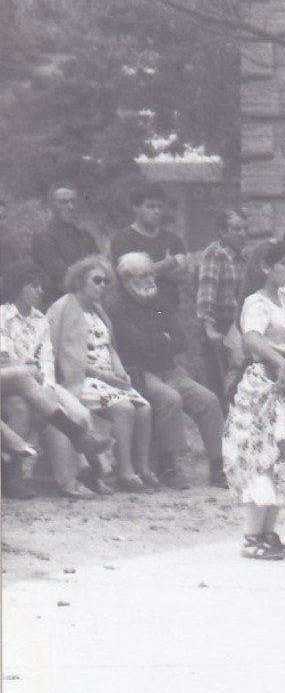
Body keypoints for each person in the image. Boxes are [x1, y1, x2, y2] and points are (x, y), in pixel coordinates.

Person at [224, 240, 285, 559]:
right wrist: (279, 363)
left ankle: (267, 532)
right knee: (263, 451)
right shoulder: (256, 303)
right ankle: (252, 537)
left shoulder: (281, 299)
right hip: (267, 380)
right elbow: (252, 337)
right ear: (266, 267)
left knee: (284, 453)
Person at [110, 252, 226, 489]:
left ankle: (219, 466)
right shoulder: (116, 305)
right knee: (169, 399)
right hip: (138, 371)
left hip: (170, 369)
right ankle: (167, 466)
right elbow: (134, 342)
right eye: (144, 275)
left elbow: (181, 340)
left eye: (153, 273)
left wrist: (155, 342)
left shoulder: (160, 304)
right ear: (127, 279)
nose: (152, 279)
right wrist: (162, 340)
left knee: (209, 400)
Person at [1, 263, 117, 497]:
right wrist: (30, 372)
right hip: (8, 381)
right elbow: (4, 361)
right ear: (19, 289)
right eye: (34, 286)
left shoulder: (40, 321)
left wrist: (46, 387)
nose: (40, 291)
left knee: (77, 412)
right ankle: (78, 439)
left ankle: (82, 474)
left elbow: (46, 360)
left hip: (35, 385)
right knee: (23, 383)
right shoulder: (1, 316)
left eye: (41, 286)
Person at [45, 255, 155, 493]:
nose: (102, 285)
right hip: (79, 379)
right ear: (79, 281)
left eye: (106, 281)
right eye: (96, 280)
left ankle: (143, 469)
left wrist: (121, 373)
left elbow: (110, 347)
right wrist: (103, 376)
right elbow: (57, 354)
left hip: (106, 377)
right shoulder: (63, 307)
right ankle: (125, 473)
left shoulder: (98, 311)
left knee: (144, 407)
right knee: (124, 408)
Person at [195, 209, 248, 410]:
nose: (243, 233)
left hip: (238, 329)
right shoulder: (215, 256)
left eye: (245, 228)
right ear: (222, 231)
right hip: (218, 328)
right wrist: (209, 328)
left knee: (237, 385)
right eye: (236, 229)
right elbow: (206, 291)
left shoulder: (244, 258)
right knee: (219, 387)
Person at [108, 183, 188, 304]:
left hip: (170, 310)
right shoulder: (123, 239)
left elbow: (184, 276)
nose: (156, 211)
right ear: (135, 207)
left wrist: (150, 268)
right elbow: (131, 275)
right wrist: (169, 263)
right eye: (150, 206)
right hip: (137, 309)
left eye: (160, 207)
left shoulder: (173, 239)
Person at [30, 183, 100, 305]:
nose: (70, 206)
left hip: (90, 302)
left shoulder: (85, 236)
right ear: (51, 205)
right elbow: (63, 280)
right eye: (64, 202)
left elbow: (101, 270)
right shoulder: (44, 238)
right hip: (58, 305)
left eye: (73, 202)